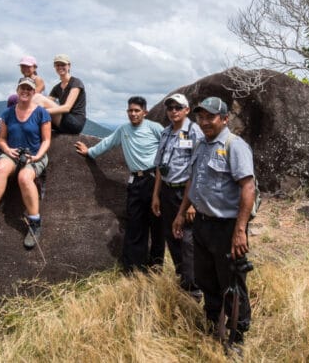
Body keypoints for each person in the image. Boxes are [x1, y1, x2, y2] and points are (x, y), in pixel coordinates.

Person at [171, 97, 256, 351]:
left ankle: (237, 337)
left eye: (211, 117)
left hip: (227, 227)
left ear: (224, 119)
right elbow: (192, 181)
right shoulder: (200, 145)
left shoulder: (234, 146)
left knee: (231, 282)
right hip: (202, 225)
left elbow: (248, 187)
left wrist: (240, 230)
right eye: (201, 117)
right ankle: (212, 327)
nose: (205, 121)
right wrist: (181, 212)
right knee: (206, 279)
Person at [75, 96, 164, 273]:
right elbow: (108, 143)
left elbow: (168, 148)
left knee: (157, 226)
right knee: (135, 225)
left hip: (155, 180)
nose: (133, 114)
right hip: (136, 182)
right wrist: (89, 152)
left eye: (137, 110)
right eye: (130, 110)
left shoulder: (155, 128)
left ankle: (156, 268)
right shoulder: (123, 130)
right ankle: (134, 269)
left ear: (144, 112)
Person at [0, 77, 51, 249]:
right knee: (1, 167)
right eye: (22, 88)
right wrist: (7, 150)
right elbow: (2, 139)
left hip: (35, 155)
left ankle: (35, 222)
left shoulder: (42, 113)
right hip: (12, 152)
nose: (25, 91)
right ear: (17, 90)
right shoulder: (8, 113)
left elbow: (46, 140)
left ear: (34, 92)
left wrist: (37, 157)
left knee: (25, 177)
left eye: (29, 89)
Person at [151, 93, 203, 296]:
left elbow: (198, 169)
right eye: (170, 107)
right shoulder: (165, 133)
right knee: (172, 236)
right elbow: (159, 167)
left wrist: (192, 204)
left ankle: (194, 287)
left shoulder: (194, 132)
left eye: (178, 107)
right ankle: (183, 277)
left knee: (188, 239)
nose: (173, 111)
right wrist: (156, 195)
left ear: (187, 110)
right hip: (167, 191)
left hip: (186, 192)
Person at [36, 54, 86, 134]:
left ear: (69, 66)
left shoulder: (76, 83)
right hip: (63, 122)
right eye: (57, 65)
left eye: (63, 65)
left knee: (38, 98)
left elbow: (67, 108)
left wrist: (40, 112)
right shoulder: (57, 88)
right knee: (37, 103)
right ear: (55, 67)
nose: (60, 67)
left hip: (75, 123)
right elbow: (46, 102)